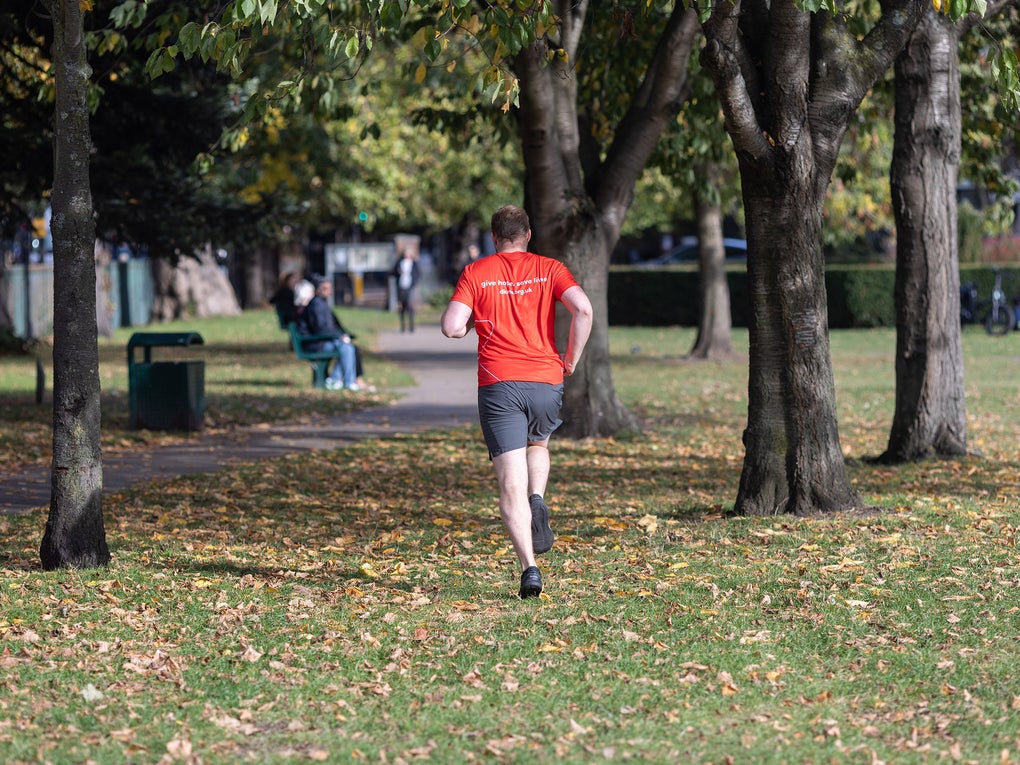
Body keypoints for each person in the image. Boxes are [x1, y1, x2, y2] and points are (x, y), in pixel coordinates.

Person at [441, 205, 593, 599]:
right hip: (546, 378)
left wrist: (474, 323)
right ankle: (538, 498)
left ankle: (530, 567)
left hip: (498, 382)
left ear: (494, 238)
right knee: (538, 444)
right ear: (528, 234)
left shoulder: (477, 272)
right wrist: (570, 361)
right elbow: (583, 309)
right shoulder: (551, 268)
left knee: (510, 480)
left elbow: (451, 327)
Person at [295, 277, 359, 391]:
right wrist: (339, 336)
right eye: (325, 288)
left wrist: (341, 335)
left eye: (330, 288)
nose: (329, 291)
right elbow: (321, 329)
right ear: (318, 290)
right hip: (315, 343)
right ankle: (345, 381)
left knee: (348, 348)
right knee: (347, 349)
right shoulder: (316, 305)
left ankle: (336, 378)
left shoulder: (321, 303)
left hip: (321, 341)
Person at [392, 249, 420, 332]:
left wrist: (414, 283)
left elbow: (417, 274)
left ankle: (411, 326)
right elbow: (392, 272)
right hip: (401, 287)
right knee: (402, 307)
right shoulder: (399, 262)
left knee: (410, 306)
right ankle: (402, 326)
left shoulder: (413, 263)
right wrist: (398, 272)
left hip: (410, 287)